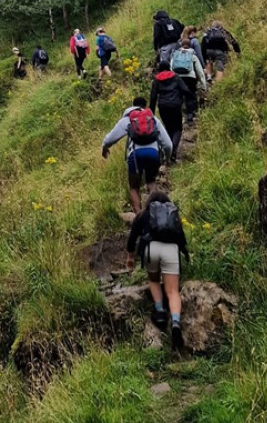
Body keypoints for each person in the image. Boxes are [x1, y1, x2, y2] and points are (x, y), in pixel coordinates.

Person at [126, 190, 189, 348]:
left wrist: (130, 257)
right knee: (173, 291)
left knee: (153, 279)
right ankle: (175, 322)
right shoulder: (172, 214)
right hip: (171, 250)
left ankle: (160, 311)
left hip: (151, 248)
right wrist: (185, 254)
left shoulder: (143, 214)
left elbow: (133, 237)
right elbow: (181, 238)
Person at [101, 97, 173, 213]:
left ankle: (139, 218)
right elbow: (168, 144)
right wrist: (167, 159)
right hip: (153, 153)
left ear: (132, 105)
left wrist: (105, 149)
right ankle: (156, 213)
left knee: (134, 188)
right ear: (145, 106)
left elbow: (110, 139)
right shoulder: (153, 119)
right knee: (151, 182)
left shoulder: (127, 119)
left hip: (135, 155)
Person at [149, 62, 196, 162]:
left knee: (169, 128)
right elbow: (185, 90)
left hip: (163, 107)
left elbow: (153, 97)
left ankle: (169, 151)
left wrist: (151, 113)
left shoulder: (156, 80)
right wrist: (191, 100)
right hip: (175, 105)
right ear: (169, 67)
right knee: (178, 128)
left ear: (160, 69)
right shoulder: (175, 77)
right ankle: (173, 149)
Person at [170, 38, 207, 125]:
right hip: (190, 77)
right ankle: (190, 117)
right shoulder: (193, 55)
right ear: (190, 45)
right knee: (190, 95)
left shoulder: (175, 55)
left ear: (181, 45)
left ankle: (178, 117)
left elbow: (171, 68)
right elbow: (200, 71)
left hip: (177, 78)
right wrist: (203, 85)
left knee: (179, 96)